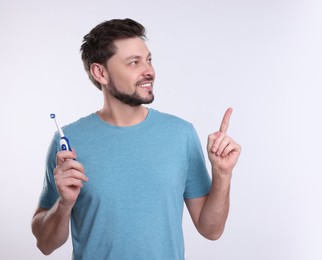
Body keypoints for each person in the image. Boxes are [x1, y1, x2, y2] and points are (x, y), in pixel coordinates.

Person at [31, 18, 241, 260]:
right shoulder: (67, 141)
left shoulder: (181, 134)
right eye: (134, 62)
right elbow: (45, 244)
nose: (149, 70)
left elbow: (211, 230)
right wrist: (64, 205)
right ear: (100, 72)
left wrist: (223, 175)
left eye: (149, 60)